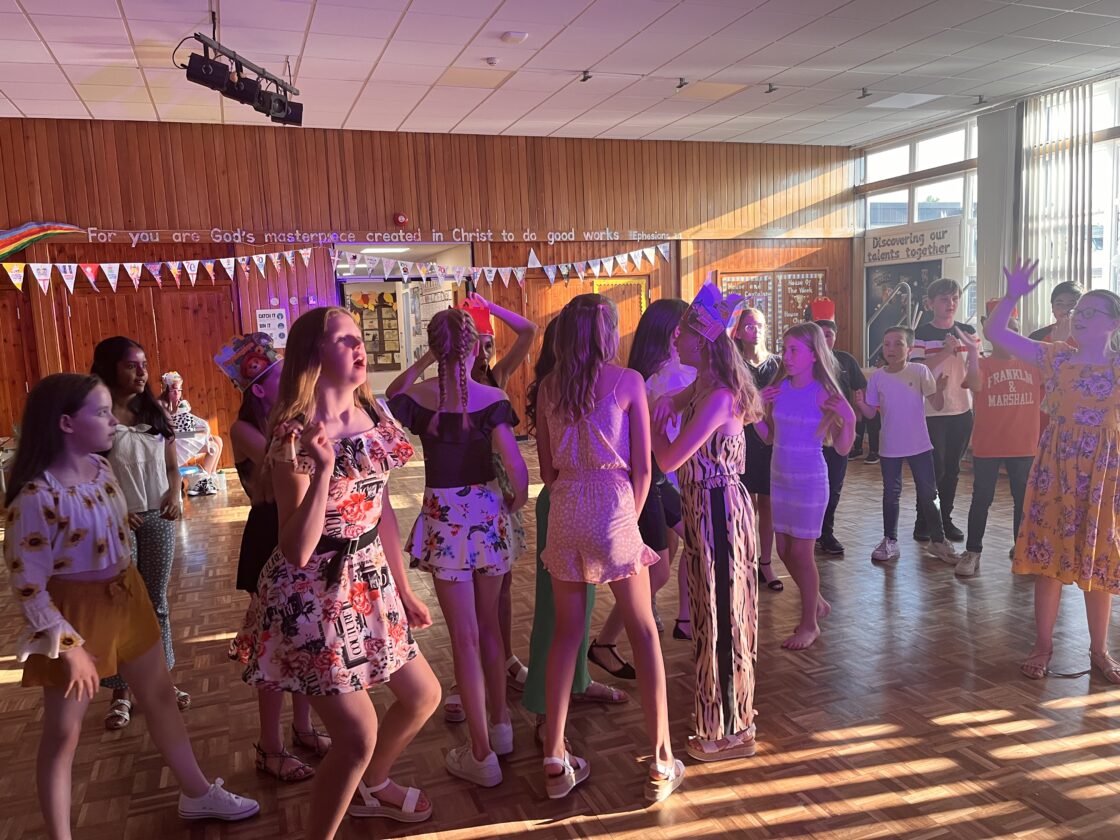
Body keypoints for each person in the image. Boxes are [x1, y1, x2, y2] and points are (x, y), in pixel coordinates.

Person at [4, 374, 259, 837]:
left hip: (127, 596)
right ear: (66, 423)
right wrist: (70, 648)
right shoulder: (36, 496)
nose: (113, 421)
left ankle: (196, 792)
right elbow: (28, 586)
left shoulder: (101, 471)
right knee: (63, 733)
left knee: (159, 695)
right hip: (74, 616)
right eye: (101, 413)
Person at [241, 307, 440, 839]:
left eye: (358, 337)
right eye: (344, 339)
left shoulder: (375, 414)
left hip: (369, 580)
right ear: (314, 355)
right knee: (355, 737)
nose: (359, 345)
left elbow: (381, 511)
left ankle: (373, 786)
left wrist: (403, 589)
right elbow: (296, 549)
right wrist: (324, 467)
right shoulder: (294, 435)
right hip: (313, 595)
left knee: (423, 696)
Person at [536, 294, 683, 802]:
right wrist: (628, 520)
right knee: (643, 632)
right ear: (607, 333)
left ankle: (555, 754)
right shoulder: (627, 381)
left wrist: (572, 497)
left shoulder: (549, 387)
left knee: (566, 634)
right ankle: (661, 758)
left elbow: (547, 469)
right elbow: (643, 467)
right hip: (614, 505)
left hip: (566, 506)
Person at [388, 307, 528, 787]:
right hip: (487, 517)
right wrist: (514, 501)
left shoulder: (421, 397)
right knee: (490, 630)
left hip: (444, 524)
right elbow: (517, 469)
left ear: (435, 348)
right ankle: (501, 727)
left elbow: (393, 394)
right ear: (475, 349)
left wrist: (428, 359)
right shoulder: (492, 398)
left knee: (464, 638)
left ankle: (481, 753)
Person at [985, 261, 1120, 685]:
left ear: (1113, 323)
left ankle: (1099, 650)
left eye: (1091, 312)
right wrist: (1012, 295)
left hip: (1102, 476)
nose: (1079, 316)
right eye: (1079, 310)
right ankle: (1042, 646)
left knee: (1098, 562)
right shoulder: (1057, 356)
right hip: (1057, 471)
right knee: (1049, 561)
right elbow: (995, 333)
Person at [652, 284, 761, 763]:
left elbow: (669, 458)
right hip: (704, 508)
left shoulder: (719, 396)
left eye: (685, 333)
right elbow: (675, 399)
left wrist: (650, 427)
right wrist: (665, 404)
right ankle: (724, 716)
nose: (677, 339)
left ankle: (731, 730)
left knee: (722, 620)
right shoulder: (702, 384)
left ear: (705, 341)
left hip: (719, 510)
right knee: (707, 614)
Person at [220, 335, 329, 782]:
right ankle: (270, 746)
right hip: (268, 534)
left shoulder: (296, 421)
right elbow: (279, 464)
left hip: (299, 526)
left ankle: (303, 727)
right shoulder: (245, 429)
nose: (292, 380)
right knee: (272, 647)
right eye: (281, 376)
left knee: (304, 637)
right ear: (261, 388)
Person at [522, 318, 630, 744]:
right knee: (555, 614)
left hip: (591, 503)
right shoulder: (555, 388)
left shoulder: (585, 385)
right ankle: (544, 710)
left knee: (579, 612)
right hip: (566, 501)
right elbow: (549, 468)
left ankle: (578, 682)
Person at [588, 299, 690, 679]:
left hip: (656, 479)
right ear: (673, 332)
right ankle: (605, 641)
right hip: (642, 481)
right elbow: (654, 454)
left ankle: (686, 616)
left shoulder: (658, 373)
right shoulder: (654, 377)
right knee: (658, 570)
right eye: (685, 328)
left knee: (689, 541)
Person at [90, 337, 188, 730]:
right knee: (122, 604)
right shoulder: (95, 415)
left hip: (159, 516)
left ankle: (162, 682)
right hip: (117, 522)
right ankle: (121, 692)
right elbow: (86, 475)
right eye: (132, 365)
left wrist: (175, 493)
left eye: (144, 364)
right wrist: (114, 508)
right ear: (109, 367)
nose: (142, 372)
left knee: (156, 602)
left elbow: (172, 466)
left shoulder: (155, 410)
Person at [757, 322, 856, 650]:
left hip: (809, 481)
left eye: (794, 350)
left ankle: (810, 624)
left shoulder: (824, 393)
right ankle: (818, 602)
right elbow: (768, 437)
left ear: (814, 355)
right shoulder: (780, 389)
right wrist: (756, 409)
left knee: (801, 552)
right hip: (780, 478)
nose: (786, 356)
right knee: (783, 551)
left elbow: (842, 447)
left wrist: (850, 418)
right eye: (784, 349)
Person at [853, 327, 961, 567]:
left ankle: (938, 539)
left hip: (919, 445)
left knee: (930, 494)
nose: (891, 349)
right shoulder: (878, 377)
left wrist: (940, 390)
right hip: (890, 446)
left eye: (898, 344)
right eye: (887, 344)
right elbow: (871, 413)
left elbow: (937, 404)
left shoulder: (919, 371)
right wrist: (860, 403)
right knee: (891, 493)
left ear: (910, 349)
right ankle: (890, 539)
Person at [958, 302, 1041, 578]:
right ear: (991, 334)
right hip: (989, 445)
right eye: (1004, 330)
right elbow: (975, 385)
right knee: (982, 498)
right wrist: (972, 353)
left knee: (1023, 499)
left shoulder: (1033, 364)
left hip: (1024, 444)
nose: (1010, 336)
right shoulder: (982, 363)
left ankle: (1021, 547)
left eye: (1014, 330)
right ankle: (973, 551)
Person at [911, 278, 977, 543]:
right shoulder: (922, 333)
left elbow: (975, 369)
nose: (950, 304)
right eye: (944, 299)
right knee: (934, 469)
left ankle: (945, 519)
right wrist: (946, 351)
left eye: (954, 299)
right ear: (930, 303)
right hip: (931, 411)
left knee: (952, 469)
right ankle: (924, 519)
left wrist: (969, 354)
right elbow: (918, 369)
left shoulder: (968, 331)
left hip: (961, 409)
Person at [730, 306, 784, 595]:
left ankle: (766, 562)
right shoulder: (733, 364)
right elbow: (731, 403)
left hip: (773, 438)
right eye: (750, 326)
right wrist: (757, 400)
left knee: (769, 503)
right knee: (745, 504)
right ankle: (746, 560)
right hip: (744, 437)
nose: (756, 330)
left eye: (760, 325)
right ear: (738, 332)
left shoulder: (777, 364)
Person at [808, 298, 867, 556]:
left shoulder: (846, 360)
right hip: (811, 433)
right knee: (811, 487)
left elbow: (860, 389)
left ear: (835, 336)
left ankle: (826, 531)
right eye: (819, 334)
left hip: (839, 432)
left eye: (829, 334)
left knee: (833, 485)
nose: (825, 339)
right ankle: (809, 530)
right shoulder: (805, 362)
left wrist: (858, 413)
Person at [158, 371, 224, 496]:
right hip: (171, 442)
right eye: (173, 390)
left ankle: (210, 477)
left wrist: (202, 431)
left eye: (179, 390)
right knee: (213, 448)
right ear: (166, 390)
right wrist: (195, 433)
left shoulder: (181, 404)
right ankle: (201, 481)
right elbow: (170, 430)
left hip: (182, 437)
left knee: (217, 440)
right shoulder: (162, 405)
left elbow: (186, 425)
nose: (177, 393)